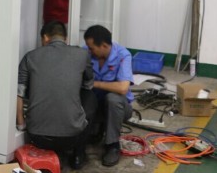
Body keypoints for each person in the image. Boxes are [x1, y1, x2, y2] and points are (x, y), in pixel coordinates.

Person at [16, 21, 96, 170]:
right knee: (90, 96)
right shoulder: (82, 54)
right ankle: (78, 153)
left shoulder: (30, 56)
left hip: (37, 137)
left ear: (46, 37)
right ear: (65, 38)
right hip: (72, 138)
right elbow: (89, 85)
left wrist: (21, 125)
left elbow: (18, 93)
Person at [83, 25, 134, 167]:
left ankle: (113, 145)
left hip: (119, 107)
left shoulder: (123, 55)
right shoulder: (86, 51)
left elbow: (123, 88)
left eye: (92, 48)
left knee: (113, 98)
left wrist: (95, 84)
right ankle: (94, 130)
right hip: (95, 104)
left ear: (104, 46)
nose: (89, 51)